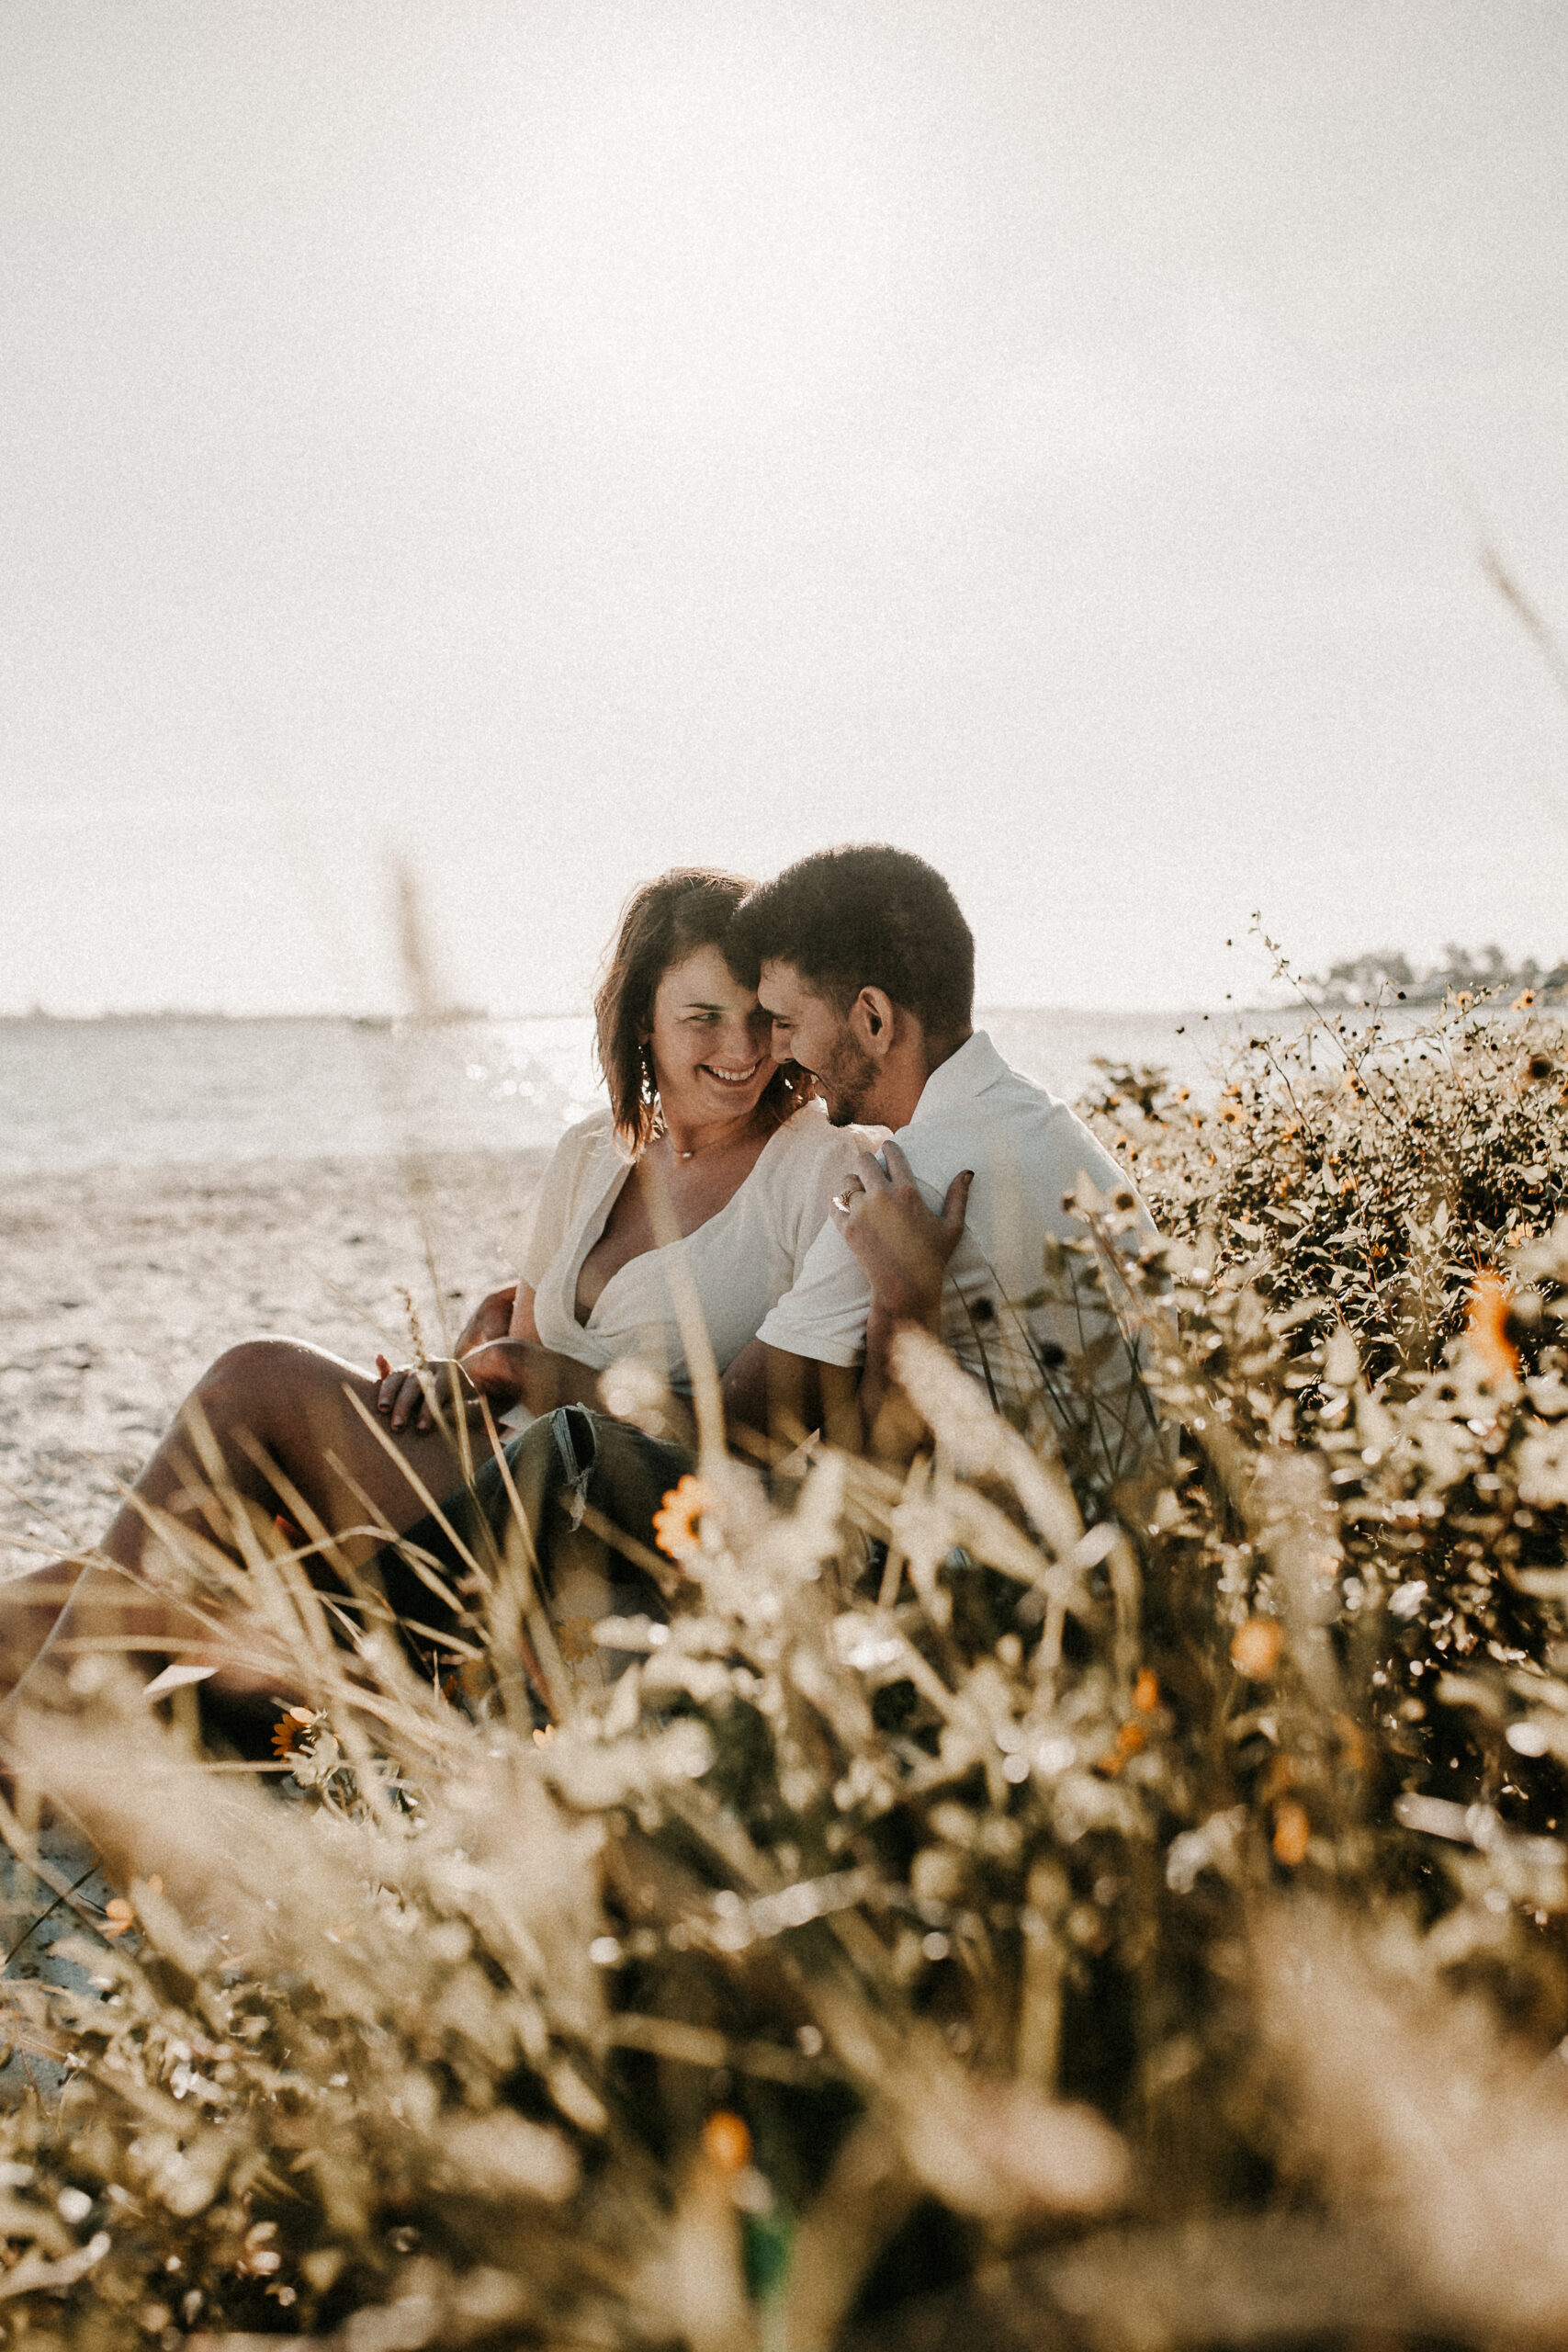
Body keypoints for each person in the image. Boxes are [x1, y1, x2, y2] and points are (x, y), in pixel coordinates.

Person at [1, 869, 881, 1729]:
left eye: (760, 1019)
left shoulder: (817, 1171)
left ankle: (43, 1736)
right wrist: (456, 1376)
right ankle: (42, 1716)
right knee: (146, 1555)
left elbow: (773, 1428)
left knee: (254, 1380)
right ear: (642, 1020)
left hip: (606, 1515)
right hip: (493, 1472)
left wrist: (543, 1373)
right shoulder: (590, 1153)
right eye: (703, 1019)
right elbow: (512, 1369)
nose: (741, 1051)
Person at [718, 844, 1161, 1486]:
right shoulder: (1043, 1121)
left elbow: (724, 1444)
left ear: (873, 1018)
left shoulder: (909, 1184)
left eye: (786, 1021)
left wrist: (556, 1378)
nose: (777, 1049)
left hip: (1019, 1570)